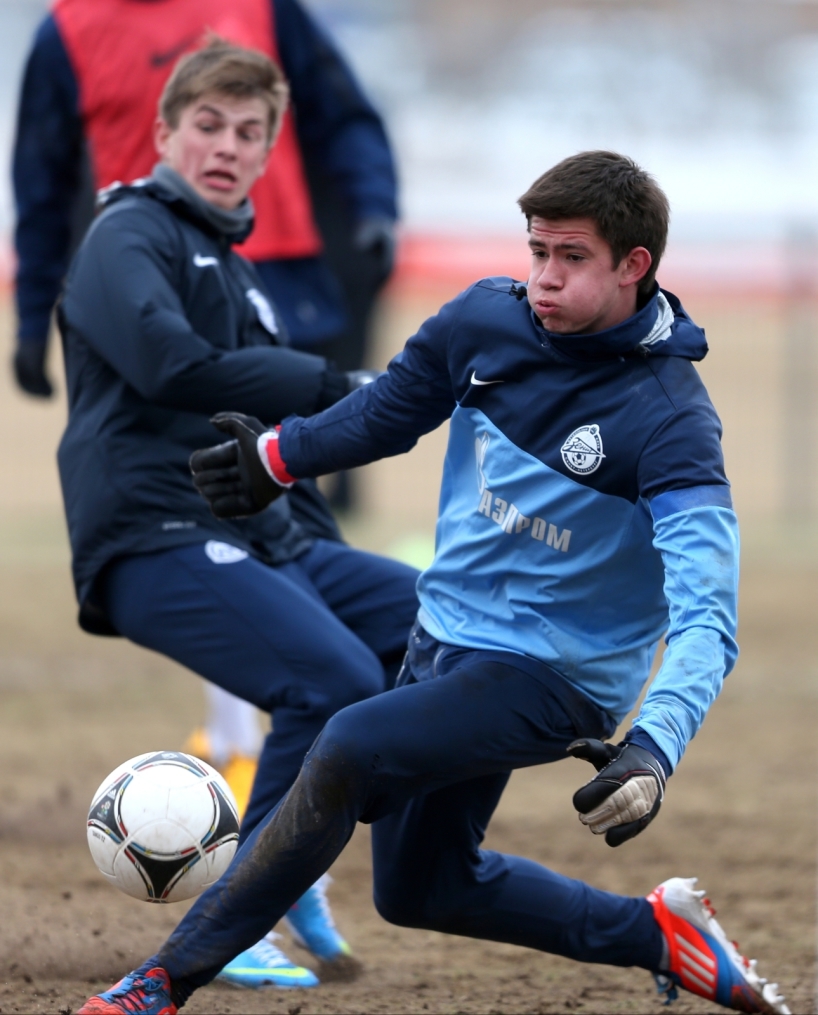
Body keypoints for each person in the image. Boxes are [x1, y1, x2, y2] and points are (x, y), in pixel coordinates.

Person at [78, 150, 791, 1015]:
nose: (543, 279)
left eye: (571, 259)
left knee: (345, 743)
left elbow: (708, 617)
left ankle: (164, 979)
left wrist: (653, 747)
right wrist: (275, 457)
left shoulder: (674, 424)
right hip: (442, 637)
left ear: (634, 266)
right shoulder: (485, 321)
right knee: (422, 888)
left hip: (551, 680)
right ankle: (659, 934)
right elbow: (392, 408)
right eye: (537, 252)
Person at [56, 40, 418, 989]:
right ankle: (239, 912)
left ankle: (296, 854)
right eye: (208, 124)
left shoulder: (235, 264)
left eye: (249, 131)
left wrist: (322, 523)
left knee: (434, 622)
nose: (226, 144)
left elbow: (261, 435)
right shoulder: (127, 234)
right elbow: (169, 367)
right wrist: (338, 381)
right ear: (166, 131)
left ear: (269, 152)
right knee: (330, 677)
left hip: (260, 536)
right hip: (150, 535)